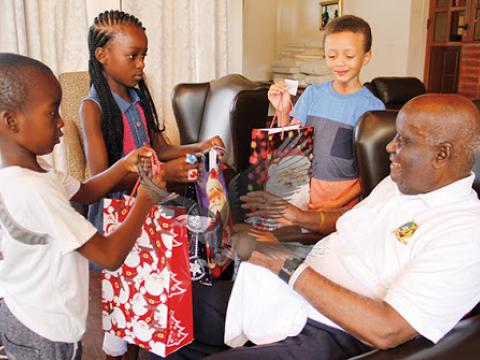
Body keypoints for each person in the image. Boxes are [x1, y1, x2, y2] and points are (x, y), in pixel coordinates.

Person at [169, 93, 480, 359]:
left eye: (404, 140)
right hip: (293, 293)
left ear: (442, 154)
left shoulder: (464, 234)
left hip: (334, 333)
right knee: (172, 309)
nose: (390, 147)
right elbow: (355, 220)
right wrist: (298, 218)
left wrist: (281, 261)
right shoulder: (401, 183)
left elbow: (388, 330)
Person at [0, 53, 168, 359]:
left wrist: (124, 164)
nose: (62, 121)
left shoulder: (34, 171)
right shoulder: (34, 188)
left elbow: (88, 191)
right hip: (44, 330)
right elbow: (109, 255)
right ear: (11, 121)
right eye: (52, 113)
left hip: (23, 310)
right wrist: (146, 199)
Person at [81, 10, 224, 360]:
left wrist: (199, 147)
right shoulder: (93, 107)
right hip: (117, 221)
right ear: (102, 55)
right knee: (122, 313)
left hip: (150, 210)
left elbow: (160, 148)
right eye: (133, 56)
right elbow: (100, 175)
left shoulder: (137, 97)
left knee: (148, 299)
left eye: (144, 55)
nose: (141, 64)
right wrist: (164, 172)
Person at [243, 15, 385, 235]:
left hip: (341, 208)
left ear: (366, 57)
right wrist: (282, 110)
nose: (339, 63)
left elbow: (369, 172)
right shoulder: (312, 94)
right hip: (302, 197)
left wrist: (333, 206)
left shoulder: (373, 109)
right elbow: (289, 145)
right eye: (331, 55)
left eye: (349, 56)